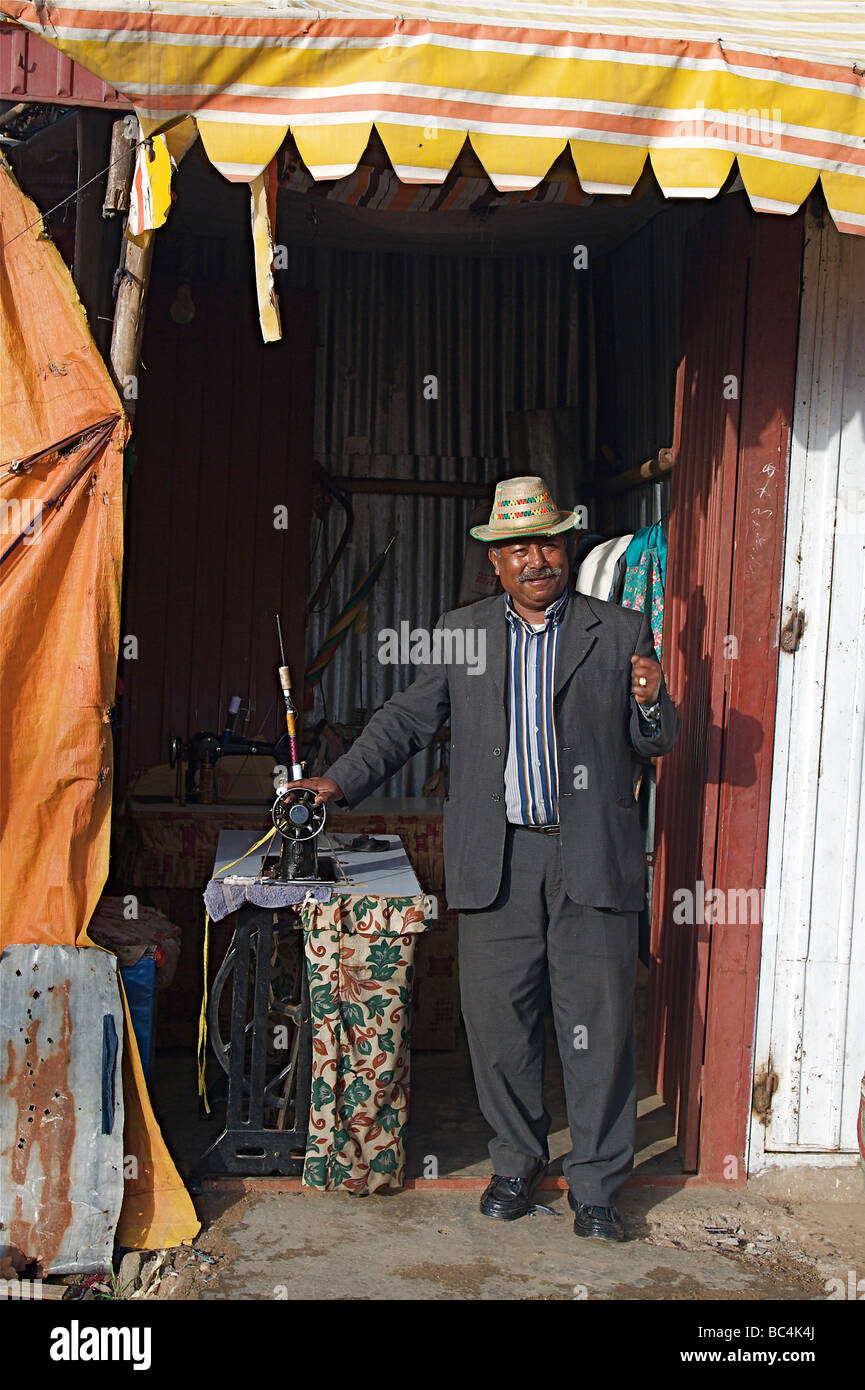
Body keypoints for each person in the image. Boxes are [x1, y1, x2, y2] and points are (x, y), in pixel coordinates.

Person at [292, 475, 680, 1241]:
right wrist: (336, 781)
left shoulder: (621, 628)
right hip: (496, 859)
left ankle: (598, 1187)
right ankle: (515, 1164)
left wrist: (648, 702)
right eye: (517, 549)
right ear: (495, 563)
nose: (536, 559)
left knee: (596, 1027)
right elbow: (405, 720)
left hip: (590, 859)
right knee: (499, 1026)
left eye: (546, 542)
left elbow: (654, 741)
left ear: (565, 546)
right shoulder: (464, 631)